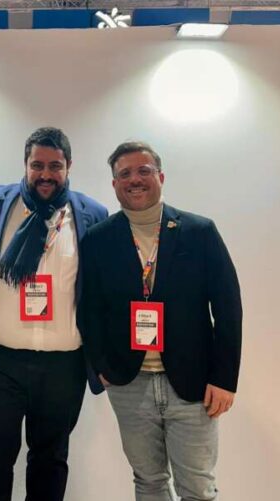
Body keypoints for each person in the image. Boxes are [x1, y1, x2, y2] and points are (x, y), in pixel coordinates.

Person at [78, 141, 242, 501]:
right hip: (129, 382)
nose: (134, 179)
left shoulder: (199, 232)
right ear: (114, 184)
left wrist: (224, 378)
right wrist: (101, 368)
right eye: (125, 174)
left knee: (197, 488)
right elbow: (89, 310)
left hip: (193, 383)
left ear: (160, 177)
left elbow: (228, 307)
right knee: (148, 481)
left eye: (143, 171)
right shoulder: (99, 239)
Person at [0, 127, 108, 501]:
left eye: (55, 166)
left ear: (69, 166)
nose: (46, 175)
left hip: (64, 366)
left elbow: (103, 292)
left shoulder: (93, 214)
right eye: (37, 165)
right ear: (25, 165)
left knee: (50, 460)